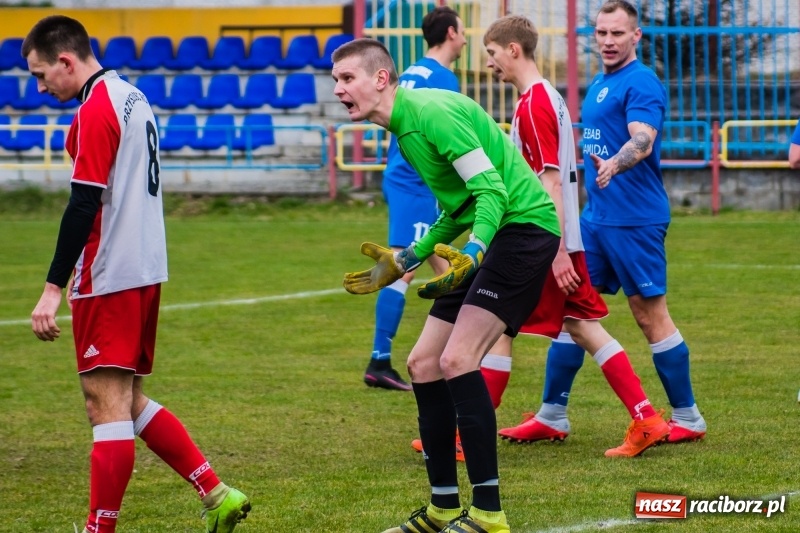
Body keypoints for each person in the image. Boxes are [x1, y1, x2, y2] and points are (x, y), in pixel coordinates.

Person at [26, 16, 250, 533]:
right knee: (126, 397)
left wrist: (51, 288)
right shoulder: (131, 95)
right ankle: (216, 494)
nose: (40, 88)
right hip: (145, 268)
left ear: (65, 60)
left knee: (103, 404)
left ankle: (98, 528)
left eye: (41, 75)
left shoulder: (97, 107)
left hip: (109, 271)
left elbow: (83, 204)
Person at [334, 38, 561, 533]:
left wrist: (474, 252)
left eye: (347, 79)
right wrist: (408, 259)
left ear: (380, 79)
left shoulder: (430, 113)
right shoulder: (404, 131)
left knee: (457, 359)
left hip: (524, 230)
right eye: (335, 81)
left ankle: (489, 514)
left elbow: (493, 193)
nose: (338, 90)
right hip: (493, 231)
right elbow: (458, 208)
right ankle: (440, 508)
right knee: (421, 364)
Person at [477, 14, 670, 457]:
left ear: (512, 49)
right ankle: (646, 417)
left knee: (494, 320)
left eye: (491, 54)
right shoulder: (547, 98)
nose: (489, 65)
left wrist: (557, 250)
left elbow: (548, 182)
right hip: (558, 238)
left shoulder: (535, 105)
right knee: (580, 326)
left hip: (546, 240)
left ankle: (468, 434)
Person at [579, 0, 707, 443]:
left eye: (618, 33)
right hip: (595, 218)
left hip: (634, 219)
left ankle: (688, 417)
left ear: (636, 36)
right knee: (571, 308)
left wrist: (615, 163)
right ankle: (552, 414)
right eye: (601, 33)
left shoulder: (641, 81)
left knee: (649, 316)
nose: (608, 41)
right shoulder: (599, 81)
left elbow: (643, 139)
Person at [364, 5, 466, 392]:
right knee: (405, 267)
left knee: (446, 268)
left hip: (406, 177)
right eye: (462, 32)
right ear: (452, 33)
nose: (465, 38)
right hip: (416, 181)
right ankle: (379, 361)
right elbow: (443, 137)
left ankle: (461, 351)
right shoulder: (442, 79)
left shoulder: (411, 72)